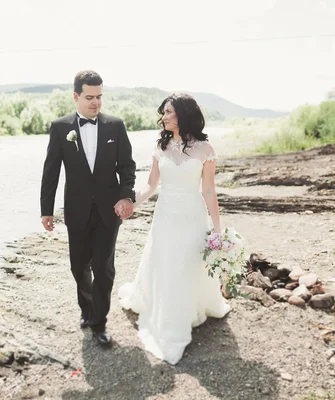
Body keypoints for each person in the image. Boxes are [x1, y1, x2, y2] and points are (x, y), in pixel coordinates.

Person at [118, 93, 230, 364]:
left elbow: (209, 190)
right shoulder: (160, 146)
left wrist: (217, 228)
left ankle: (188, 311)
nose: (164, 117)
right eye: (164, 112)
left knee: (187, 263)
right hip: (165, 216)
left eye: (169, 112)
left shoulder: (205, 149)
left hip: (192, 215)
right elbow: (151, 185)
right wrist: (131, 203)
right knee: (167, 263)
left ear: (184, 114)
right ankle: (167, 316)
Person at [40, 70, 136, 345]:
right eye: (90, 97)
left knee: (104, 267)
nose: (96, 102)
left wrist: (126, 196)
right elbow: (51, 171)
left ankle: (99, 322)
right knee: (78, 265)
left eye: (100, 97)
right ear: (76, 96)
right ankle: (87, 309)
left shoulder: (115, 125)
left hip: (109, 211)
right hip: (77, 210)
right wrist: (46, 210)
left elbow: (127, 166)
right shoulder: (60, 128)